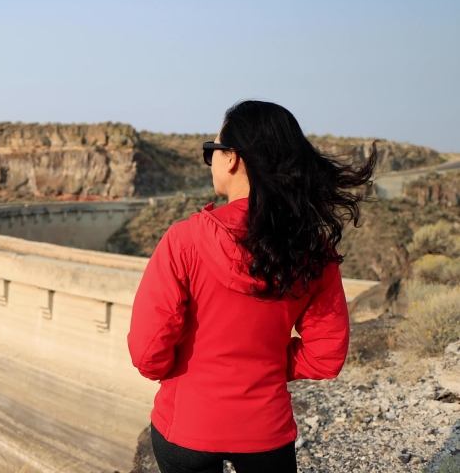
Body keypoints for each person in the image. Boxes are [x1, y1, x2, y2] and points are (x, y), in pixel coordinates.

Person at [127, 100, 377, 473]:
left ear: (232, 159)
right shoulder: (313, 249)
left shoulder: (184, 240)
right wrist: (269, 364)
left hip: (187, 429)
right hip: (266, 434)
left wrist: (190, 368)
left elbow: (148, 354)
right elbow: (326, 357)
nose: (210, 160)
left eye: (211, 150)